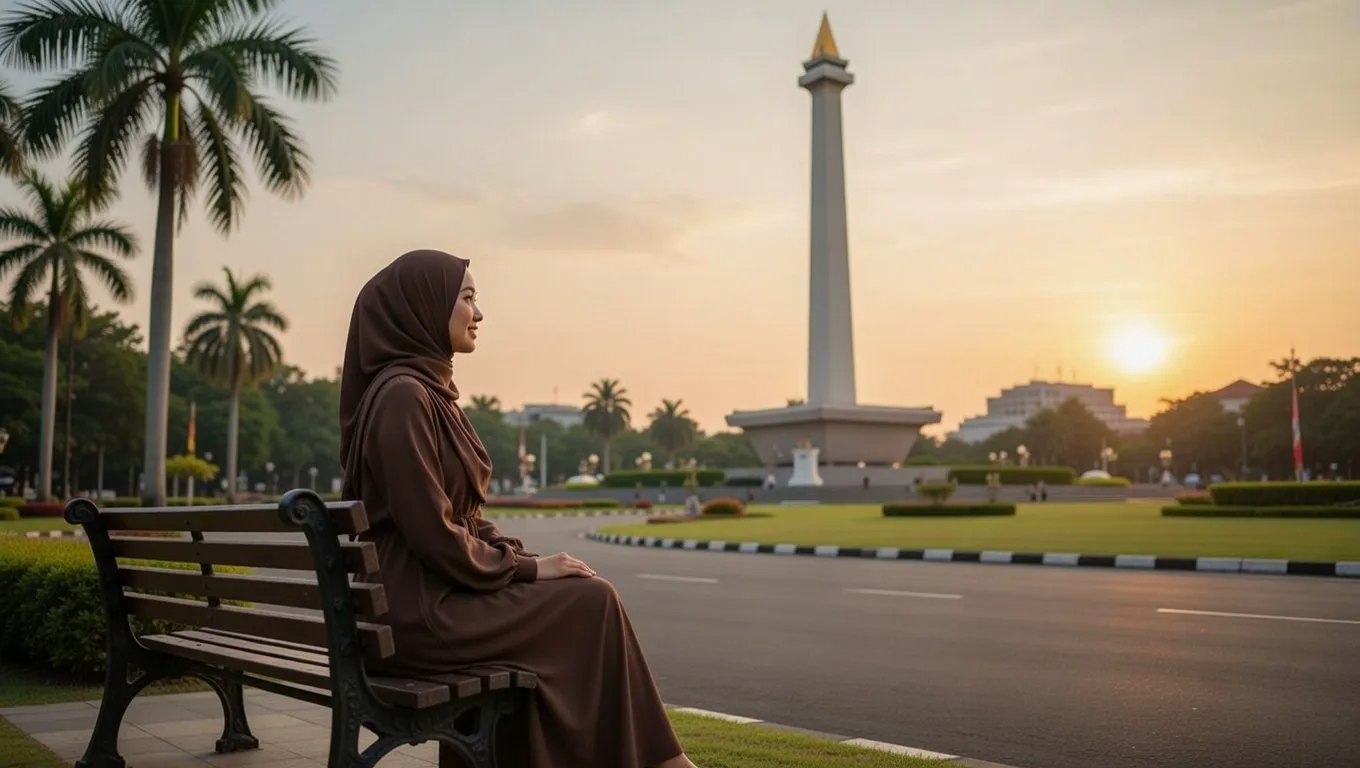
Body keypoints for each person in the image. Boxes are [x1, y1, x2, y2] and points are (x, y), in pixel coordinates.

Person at [338, 250, 696, 768]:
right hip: (421, 616)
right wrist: (525, 568)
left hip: (417, 605)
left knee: (576, 598)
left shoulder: (423, 393)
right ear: (423, 307)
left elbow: (459, 516)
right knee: (593, 602)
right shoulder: (404, 397)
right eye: (466, 298)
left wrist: (515, 558)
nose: (478, 314)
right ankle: (668, 765)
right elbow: (433, 531)